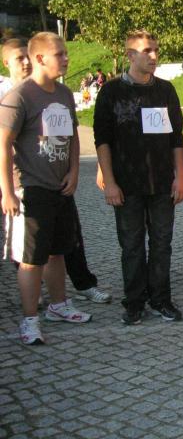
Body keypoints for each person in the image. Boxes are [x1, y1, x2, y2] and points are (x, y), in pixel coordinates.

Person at [2, 39, 111, 304]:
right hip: (29, 184)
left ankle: (63, 300)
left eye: (66, 53)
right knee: (31, 255)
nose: (66, 59)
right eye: (59, 54)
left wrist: (74, 171)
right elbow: (3, 144)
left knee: (62, 247)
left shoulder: (62, 93)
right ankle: (31, 311)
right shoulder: (17, 96)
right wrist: (8, 191)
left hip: (60, 184)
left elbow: (71, 135)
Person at [94, 30, 183, 325]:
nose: (154, 56)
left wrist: (181, 177)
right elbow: (102, 140)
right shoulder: (111, 92)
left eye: (156, 50)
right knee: (132, 245)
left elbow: (176, 138)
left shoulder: (166, 90)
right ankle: (134, 302)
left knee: (162, 243)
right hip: (126, 183)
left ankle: (161, 299)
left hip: (161, 182)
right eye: (147, 51)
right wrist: (109, 181)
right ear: (130, 55)